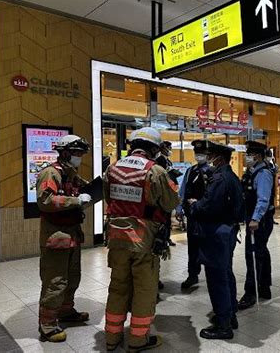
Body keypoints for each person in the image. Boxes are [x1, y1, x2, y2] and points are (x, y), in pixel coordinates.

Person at [103, 127, 180, 352]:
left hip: (116, 237)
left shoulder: (112, 168)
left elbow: (109, 198)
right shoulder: (155, 171)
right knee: (144, 290)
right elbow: (171, 202)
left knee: (117, 286)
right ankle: (138, 339)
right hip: (143, 239)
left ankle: (111, 337)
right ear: (154, 149)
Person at [36, 135, 91, 342]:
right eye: (76, 153)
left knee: (72, 276)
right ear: (65, 153)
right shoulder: (51, 173)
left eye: (81, 154)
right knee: (55, 281)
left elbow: (85, 188)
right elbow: (45, 200)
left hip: (72, 234)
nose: (79, 157)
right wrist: (76, 200)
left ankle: (66, 311)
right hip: (56, 236)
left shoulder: (71, 173)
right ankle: (47, 325)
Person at [188, 141, 245, 340]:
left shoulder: (220, 179)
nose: (208, 159)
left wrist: (194, 205)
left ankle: (223, 325)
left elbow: (208, 207)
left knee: (217, 278)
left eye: (210, 156)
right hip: (228, 230)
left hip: (216, 234)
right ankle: (231, 315)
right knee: (226, 273)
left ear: (218, 159)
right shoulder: (231, 177)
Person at [238, 141, 275, 311]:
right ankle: (265, 285)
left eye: (249, 154)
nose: (247, 157)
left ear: (258, 156)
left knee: (252, 254)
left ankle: (251, 293)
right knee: (261, 251)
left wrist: (256, 218)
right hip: (255, 218)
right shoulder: (252, 172)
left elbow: (263, 199)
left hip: (259, 220)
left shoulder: (264, 173)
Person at [176, 140, 213, 290]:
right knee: (193, 246)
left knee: (209, 246)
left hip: (208, 216)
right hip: (192, 215)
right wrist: (179, 208)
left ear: (208, 155)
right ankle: (193, 274)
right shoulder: (191, 171)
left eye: (202, 154)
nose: (199, 156)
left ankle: (212, 275)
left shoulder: (212, 171)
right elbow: (183, 190)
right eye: (197, 153)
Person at [155, 141, 177, 247]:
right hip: (164, 192)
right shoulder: (160, 160)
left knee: (168, 218)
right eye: (169, 147)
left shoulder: (167, 160)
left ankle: (167, 237)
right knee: (164, 217)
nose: (170, 150)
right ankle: (163, 238)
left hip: (169, 190)